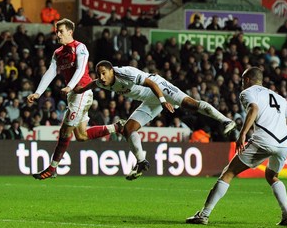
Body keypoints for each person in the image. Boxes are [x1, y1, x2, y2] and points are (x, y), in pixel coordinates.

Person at [75, 60, 237, 180]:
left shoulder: (125, 73)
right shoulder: (101, 83)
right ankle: (141, 162)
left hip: (159, 87)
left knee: (190, 104)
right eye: (99, 74)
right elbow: (89, 86)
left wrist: (163, 101)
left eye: (104, 73)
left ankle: (225, 120)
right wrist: (75, 90)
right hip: (150, 100)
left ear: (112, 70)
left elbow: (151, 83)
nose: (101, 77)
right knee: (128, 129)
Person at [186, 67, 287, 226]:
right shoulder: (277, 96)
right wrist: (279, 128)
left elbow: (254, 109)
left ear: (247, 80)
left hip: (264, 140)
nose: (241, 84)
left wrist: (242, 134)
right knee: (272, 176)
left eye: (242, 80)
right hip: (284, 143)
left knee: (229, 172)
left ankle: (203, 215)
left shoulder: (247, 93)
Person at [27, 19, 123, 180]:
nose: (58, 34)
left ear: (70, 32)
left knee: (64, 131)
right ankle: (116, 127)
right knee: (82, 136)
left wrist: (70, 86)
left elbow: (80, 69)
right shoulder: (58, 53)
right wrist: (38, 93)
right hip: (73, 94)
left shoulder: (80, 48)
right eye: (56, 31)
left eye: (61, 31)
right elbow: (50, 72)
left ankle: (52, 168)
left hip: (82, 92)